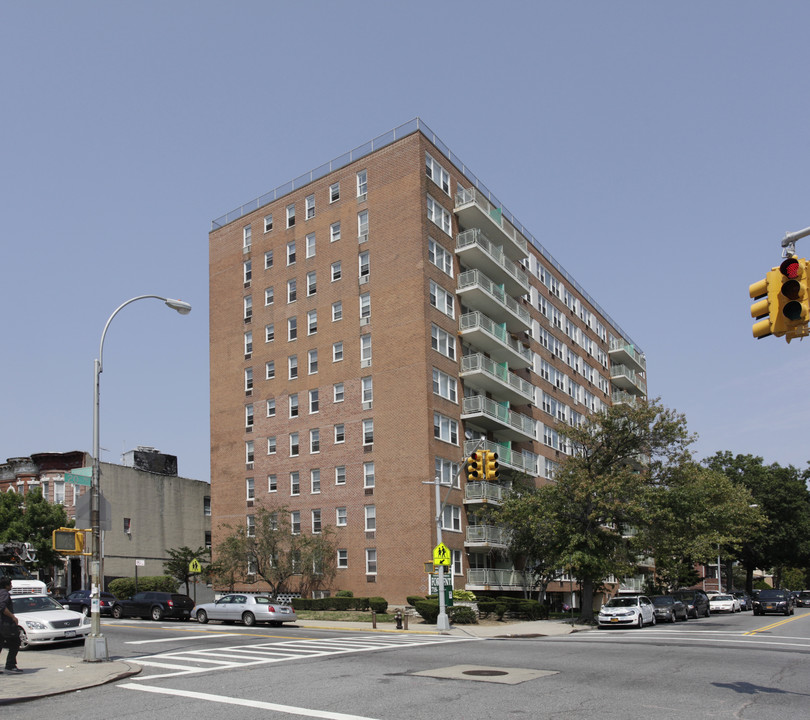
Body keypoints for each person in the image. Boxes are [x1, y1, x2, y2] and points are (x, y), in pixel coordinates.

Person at [0, 577, 22, 674]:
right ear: (6, 585)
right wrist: (13, 617)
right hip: (6, 624)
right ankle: (10, 665)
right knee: (15, 642)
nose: (11, 586)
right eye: (10, 584)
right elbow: (2, 606)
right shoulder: (4, 593)